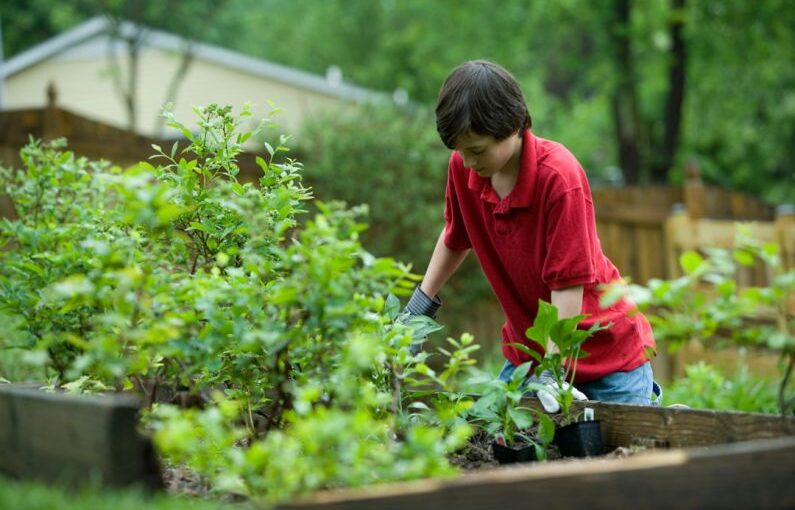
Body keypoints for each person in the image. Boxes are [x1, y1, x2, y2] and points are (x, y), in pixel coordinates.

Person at [404, 60, 660, 411]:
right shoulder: (464, 169)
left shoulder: (558, 177)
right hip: (531, 356)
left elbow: (567, 285)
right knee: (499, 443)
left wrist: (553, 371)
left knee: (621, 457)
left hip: (607, 359)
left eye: (477, 150)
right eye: (459, 150)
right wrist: (416, 311)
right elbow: (455, 235)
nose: (466, 162)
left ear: (513, 126)